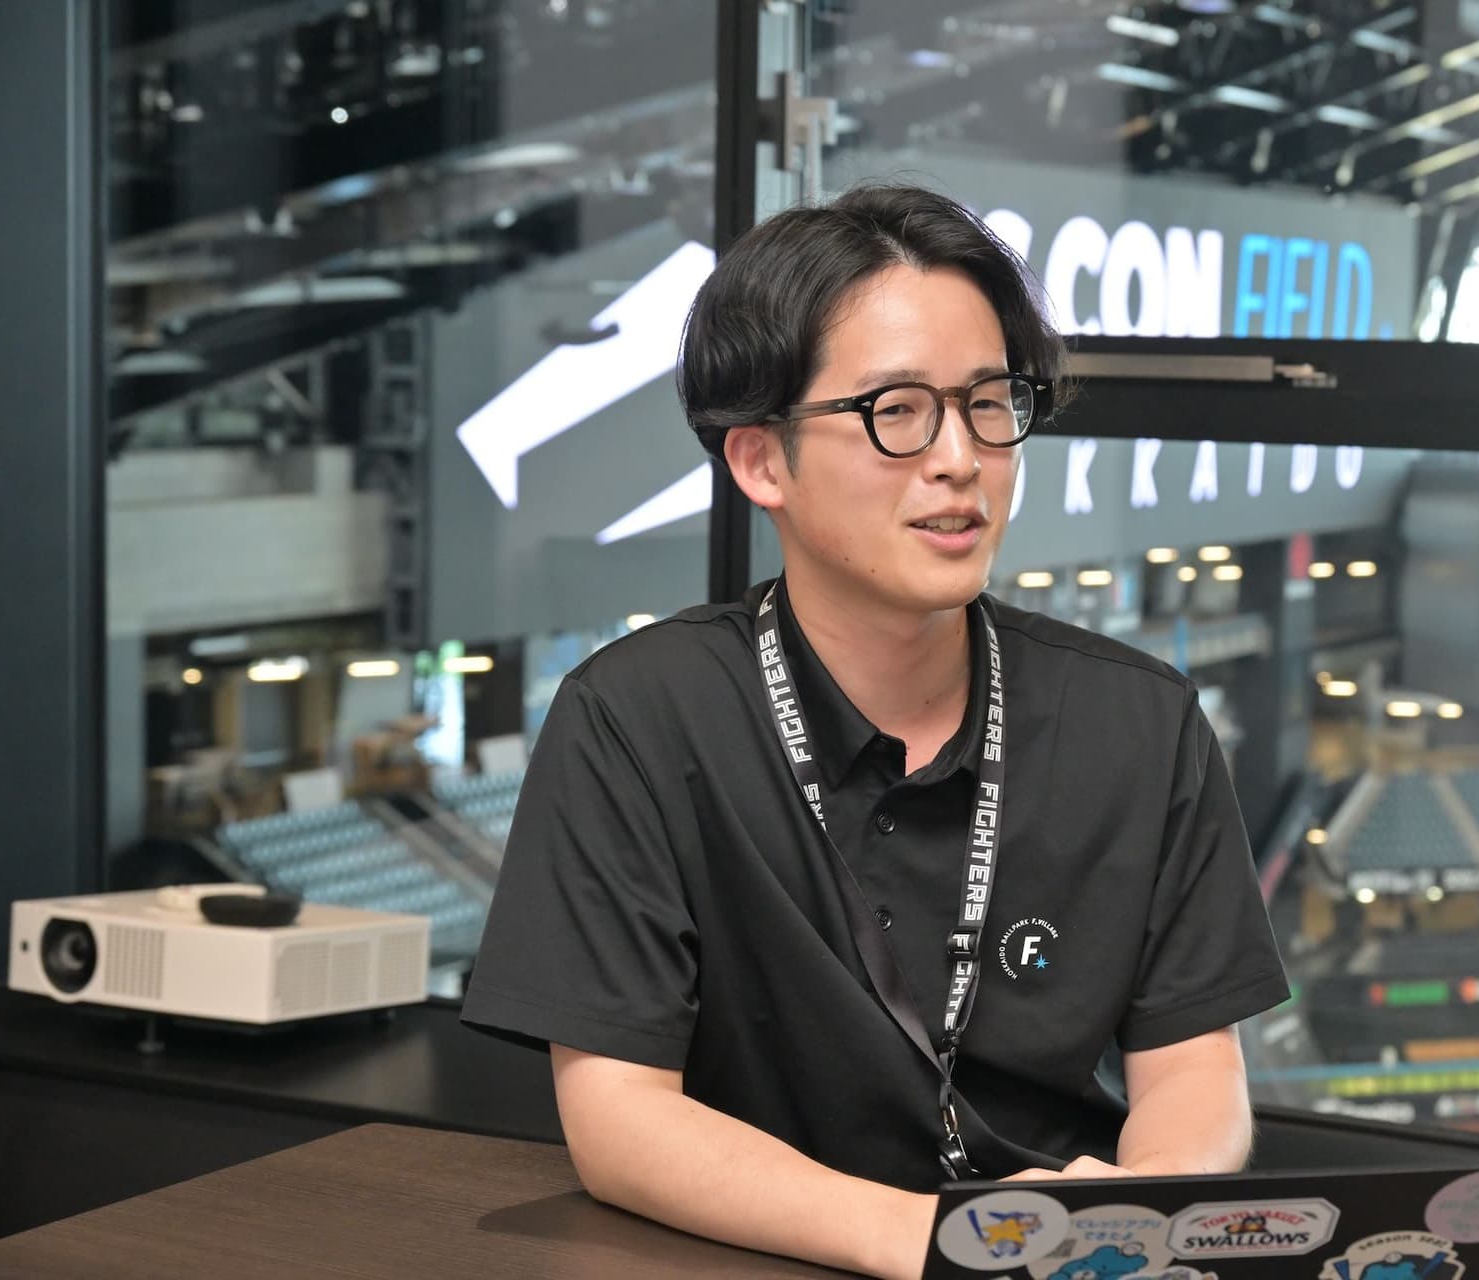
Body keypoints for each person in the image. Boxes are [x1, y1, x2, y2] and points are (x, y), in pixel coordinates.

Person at [460, 183, 1288, 1280]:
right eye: (897, 411)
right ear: (761, 461)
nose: (960, 459)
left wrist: (1137, 1207)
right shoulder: (639, 718)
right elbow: (620, 1117)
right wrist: (932, 1243)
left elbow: (1193, 1066)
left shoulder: (1139, 720)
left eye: (989, 401)